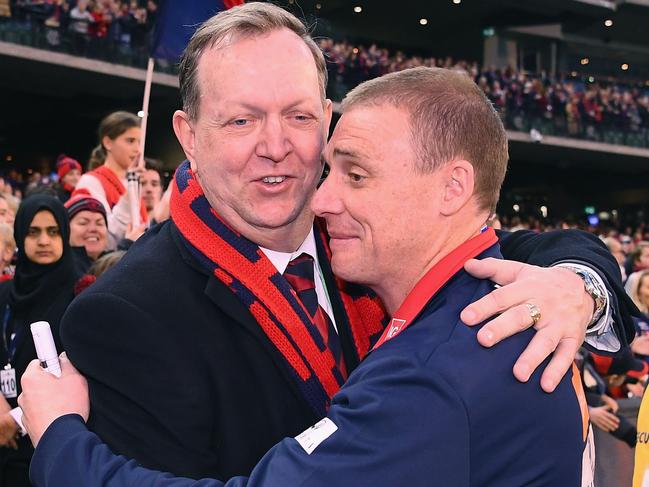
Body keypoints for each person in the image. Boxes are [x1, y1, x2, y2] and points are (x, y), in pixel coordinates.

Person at [23, 2, 635, 482]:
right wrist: (61, 444)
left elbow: (531, 246)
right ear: (188, 134)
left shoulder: (369, 236)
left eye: (298, 116)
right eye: (241, 119)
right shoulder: (123, 314)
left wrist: (578, 290)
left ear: (327, 116)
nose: (275, 145)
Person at [0, 195, 80, 486]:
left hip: (51, 442)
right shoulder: (6, 293)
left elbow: (82, 373)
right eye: (33, 232)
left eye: (53, 231)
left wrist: (18, 418)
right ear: (20, 235)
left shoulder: (80, 293)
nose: (44, 240)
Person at [73, 111, 147, 249]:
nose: (137, 149)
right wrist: (129, 192)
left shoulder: (135, 182)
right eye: (130, 141)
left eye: (139, 142)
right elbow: (103, 237)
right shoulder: (90, 182)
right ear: (108, 143)